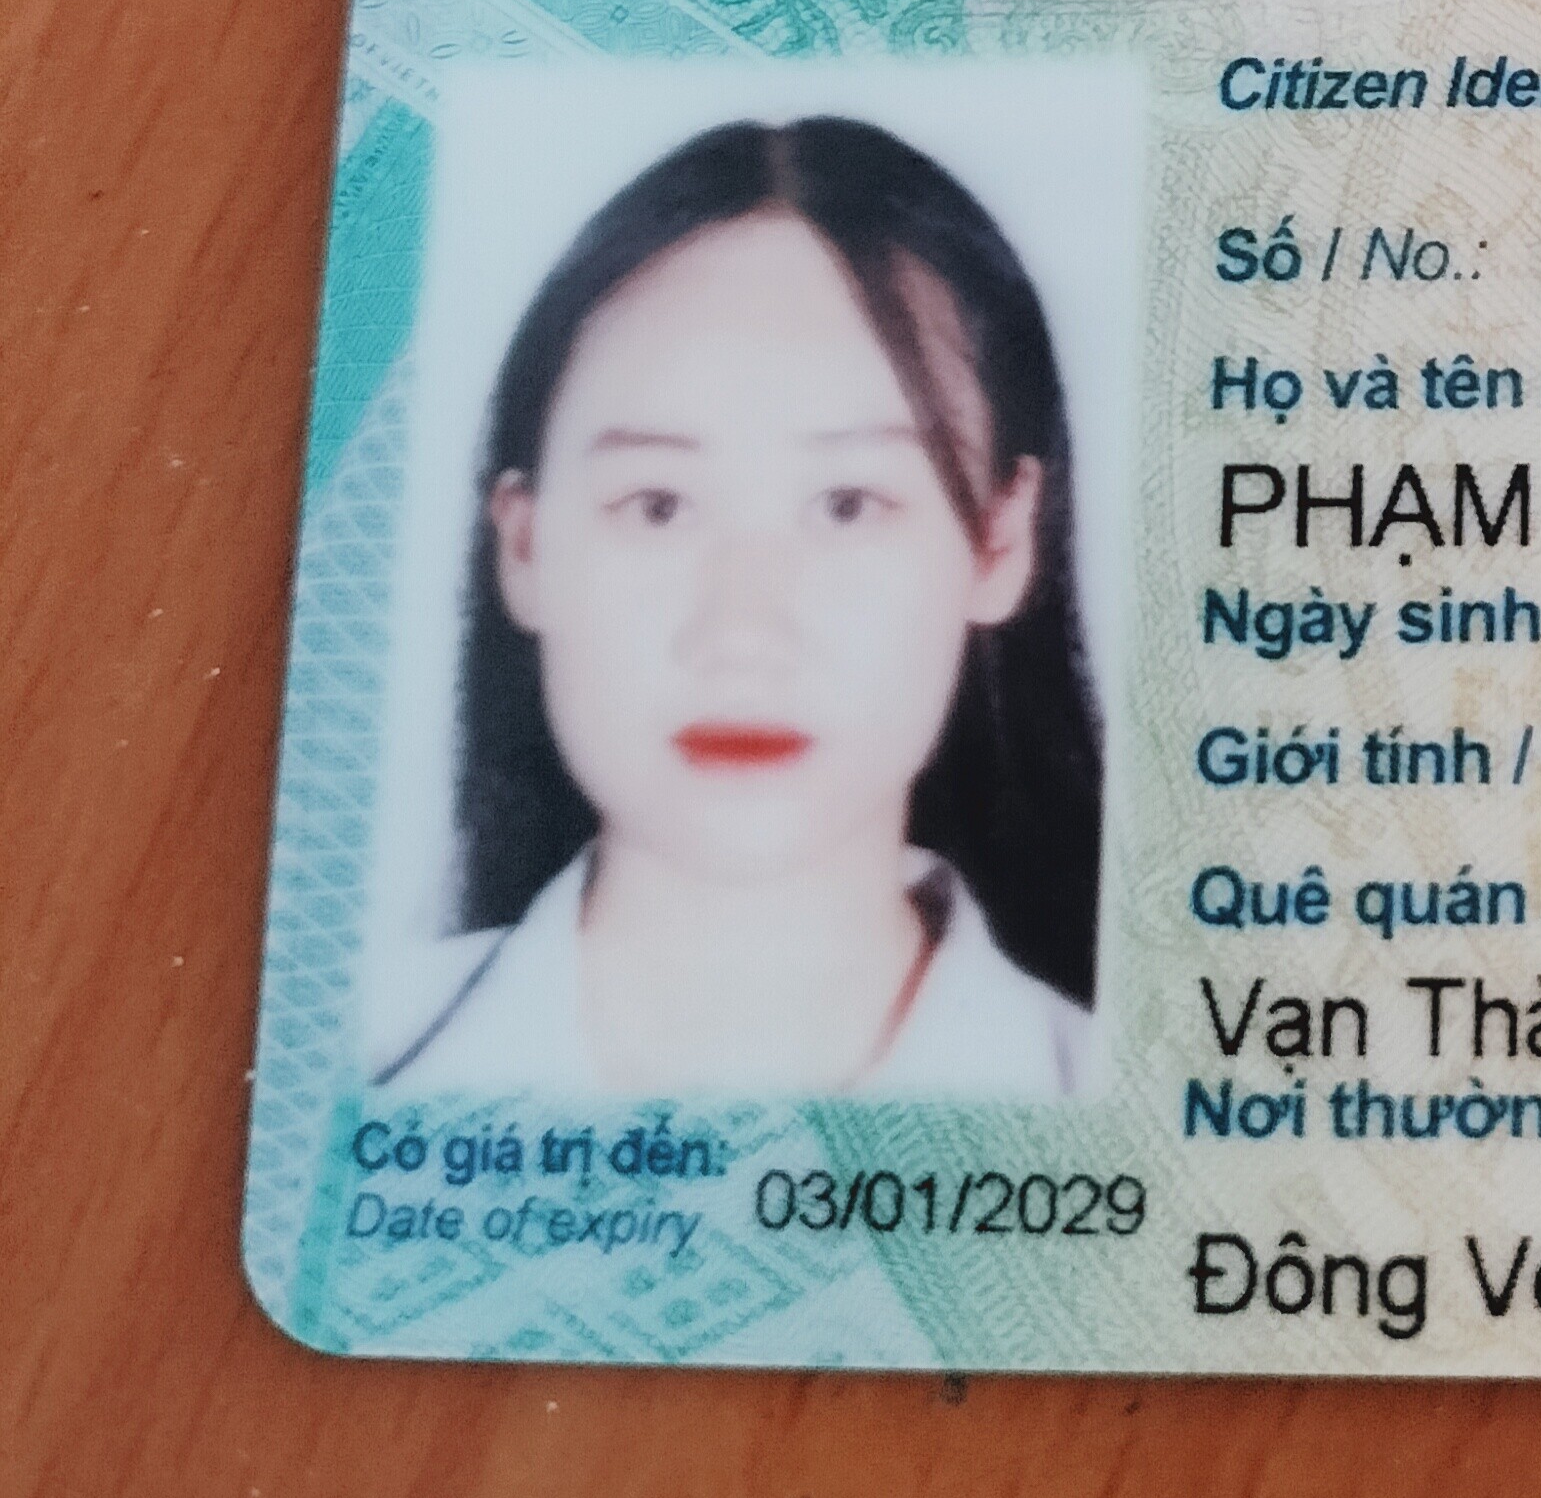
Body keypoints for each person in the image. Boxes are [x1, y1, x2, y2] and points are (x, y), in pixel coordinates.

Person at [371, 116, 1105, 1099]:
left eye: (847, 505)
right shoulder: (333, 1072)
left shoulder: (1128, 1103)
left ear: (999, 543)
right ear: (526, 545)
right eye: (659, 506)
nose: (743, 632)